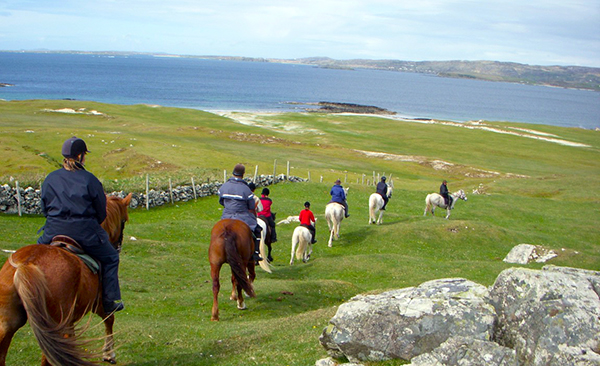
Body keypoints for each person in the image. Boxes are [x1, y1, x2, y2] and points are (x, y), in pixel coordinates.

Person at [38, 136, 124, 313]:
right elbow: (101, 213)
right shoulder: (90, 180)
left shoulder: (50, 178)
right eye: (84, 154)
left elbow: (44, 208)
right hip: (84, 234)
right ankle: (108, 302)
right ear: (79, 157)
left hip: (52, 231)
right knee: (111, 258)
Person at [218, 164, 263, 261]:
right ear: (243, 174)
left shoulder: (224, 186)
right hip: (242, 216)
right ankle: (255, 252)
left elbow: (221, 201)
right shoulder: (246, 189)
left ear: (233, 172)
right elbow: (251, 206)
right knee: (258, 230)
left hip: (226, 215)